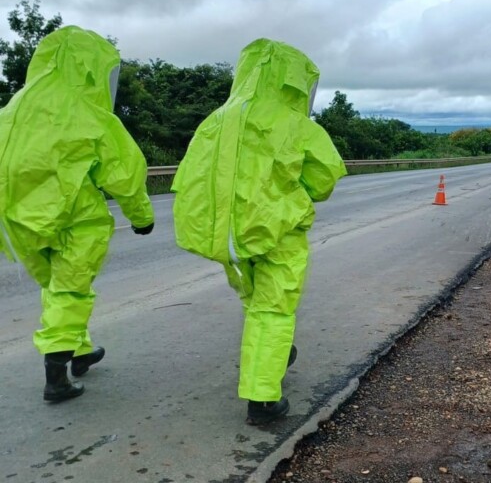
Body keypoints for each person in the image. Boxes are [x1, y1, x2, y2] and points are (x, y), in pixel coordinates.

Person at [172, 38, 346, 425]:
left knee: (256, 304)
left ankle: (273, 356)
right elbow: (323, 181)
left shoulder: (214, 121)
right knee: (274, 309)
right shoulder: (297, 124)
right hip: (277, 232)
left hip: (227, 236)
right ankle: (263, 399)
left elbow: (193, 175)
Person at [0, 26, 155, 402]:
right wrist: (141, 217)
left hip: (17, 222)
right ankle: (57, 377)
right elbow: (123, 172)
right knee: (70, 289)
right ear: (92, 69)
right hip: (75, 218)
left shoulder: (13, 108)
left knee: (56, 288)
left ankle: (80, 351)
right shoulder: (88, 112)